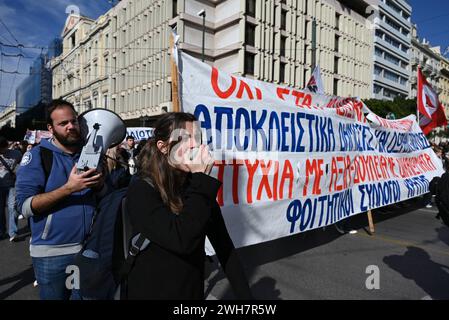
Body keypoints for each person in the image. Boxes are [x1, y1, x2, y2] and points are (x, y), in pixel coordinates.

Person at [124, 112, 253, 300]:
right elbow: (182, 240)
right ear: (163, 147)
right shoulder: (142, 188)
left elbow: (224, 247)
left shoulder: (195, 186)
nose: (195, 145)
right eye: (184, 138)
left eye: (198, 138)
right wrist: (201, 181)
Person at [15, 99, 108, 300]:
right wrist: (68, 188)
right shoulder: (38, 156)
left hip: (88, 250)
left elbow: (103, 197)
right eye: (63, 123)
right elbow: (24, 207)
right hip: (52, 255)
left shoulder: (89, 154)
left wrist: (100, 186)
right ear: (51, 128)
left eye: (74, 121)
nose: (71, 127)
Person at [0, 137, 22, 241]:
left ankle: (13, 232)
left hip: (12, 185)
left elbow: (22, 167)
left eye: (2, 148)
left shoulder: (16, 154)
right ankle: (1, 231)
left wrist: (17, 171)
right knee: (0, 210)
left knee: (12, 207)